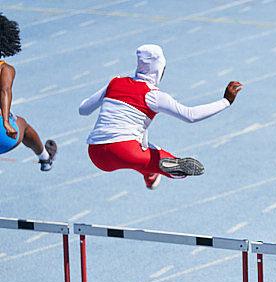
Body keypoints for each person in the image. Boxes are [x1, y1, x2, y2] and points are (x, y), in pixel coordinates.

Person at [78, 44, 242, 189]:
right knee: (164, 161)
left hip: (96, 153)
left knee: (142, 148)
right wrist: (226, 101)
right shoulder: (153, 95)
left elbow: (83, 109)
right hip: (126, 150)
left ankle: (150, 174)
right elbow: (190, 115)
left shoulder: (115, 82)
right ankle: (169, 171)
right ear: (159, 69)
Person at [0, 13, 57, 171]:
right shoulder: (5, 69)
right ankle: (45, 158)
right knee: (23, 125)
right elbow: (5, 90)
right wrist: (6, 122)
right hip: (3, 136)